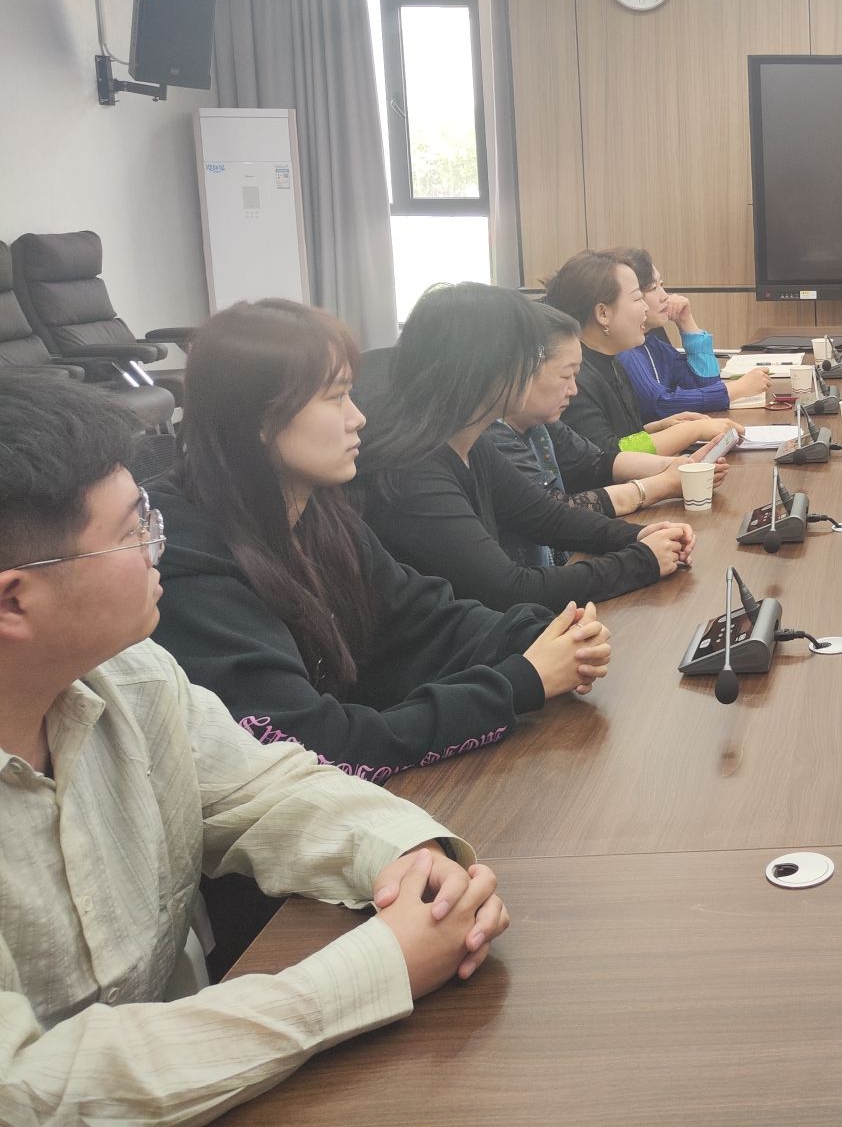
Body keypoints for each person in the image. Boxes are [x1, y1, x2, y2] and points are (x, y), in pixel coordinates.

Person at [0, 372, 512, 1122]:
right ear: (14, 600)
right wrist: (375, 970)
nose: (159, 547)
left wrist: (407, 858)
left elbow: (271, 792)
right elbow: (28, 1088)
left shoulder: (134, 676)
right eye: (133, 531)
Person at [151, 299, 612, 782]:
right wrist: (521, 681)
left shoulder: (318, 511)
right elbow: (316, 744)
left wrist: (543, 634)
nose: (358, 417)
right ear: (260, 420)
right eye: (335, 397)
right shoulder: (186, 559)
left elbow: (422, 616)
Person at [359, 283, 694, 612]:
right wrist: (642, 560)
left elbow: (548, 517)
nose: (531, 368)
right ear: (483, 364)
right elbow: (508, 589)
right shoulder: (413, 471)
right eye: (526, 355)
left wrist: (638, 536)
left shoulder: (469, 443)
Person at [484, 300, 732, 570]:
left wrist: (677, 467)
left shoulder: (541, 421)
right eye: (566, 377)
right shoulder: (493, 436)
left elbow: (598, 459)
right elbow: (554, 512)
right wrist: (662, 484)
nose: (573, 389)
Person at [545, 250, 732, 457]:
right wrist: (691, 431)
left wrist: (658, 428)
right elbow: (607, 455)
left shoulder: (610, 361)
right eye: (637, 298)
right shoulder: (575, 377)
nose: (645, 308)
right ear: (603, 314)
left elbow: (620, 437)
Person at [604, 246, 771, 420]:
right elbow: (659, 405)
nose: (665, 296)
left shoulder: (651, 341)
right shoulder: (624, 350)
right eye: (653, 288)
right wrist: (736, 389)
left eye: (662, 285)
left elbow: (706, 384)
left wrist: (686, 321)